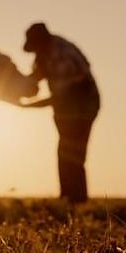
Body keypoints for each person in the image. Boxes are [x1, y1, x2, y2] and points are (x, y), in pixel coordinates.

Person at [19, 22, 100, 203]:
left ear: (41, 42)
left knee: (72, 151)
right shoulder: (43, 55)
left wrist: (27, 105)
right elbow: (33, 80)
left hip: (82, 106)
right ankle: (67, 197)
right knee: (65, 150)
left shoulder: (62, 54)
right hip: (65, 108)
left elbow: (65, 95)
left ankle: (76, 200)